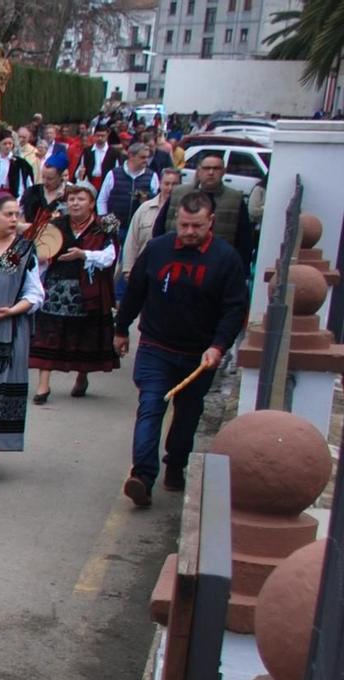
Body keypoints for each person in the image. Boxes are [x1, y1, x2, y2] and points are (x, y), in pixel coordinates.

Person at [112, 192, 250, 506]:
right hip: (155, 346)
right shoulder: (159, 249)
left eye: (196, 226)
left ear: (210, 222)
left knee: (187, 414)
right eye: (184, 225)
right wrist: (121, 329)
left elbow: (234, 309)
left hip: (198, 355)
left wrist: (218, 346)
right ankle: (142, 478)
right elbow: (136, 292)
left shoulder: (226, 259)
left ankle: (175, 463)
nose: (189, 232)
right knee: (150, 406)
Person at [0, 193, 47, 465]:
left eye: (17, 215)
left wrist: (13, 310)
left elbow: (35, 292)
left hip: (9, 330)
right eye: (9, 214)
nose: (15, 220)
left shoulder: (24, 251)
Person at [30, 181, 119, 403]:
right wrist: (41, 258)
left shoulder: (104, 226)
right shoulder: (55, 225)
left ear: (91, 203)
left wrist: (84, 255)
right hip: (57, 288)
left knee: (85, 334)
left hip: (88, 290)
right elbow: (40, 253)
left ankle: (82, 375)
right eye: (71, 199)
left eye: (81, 199)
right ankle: (43, 385)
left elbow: (109, 257)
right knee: (48, 334)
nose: (75, 203)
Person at [154, 154, 259, 271]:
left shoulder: (235, 199)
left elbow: (244, 242)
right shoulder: (178, 193)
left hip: (217, 267)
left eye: (216, 168)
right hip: (175, 262)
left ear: (224, 171)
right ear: (199, 171)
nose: (211, 172)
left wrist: (240, 271)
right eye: (206, 168)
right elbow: (159, 229)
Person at [99, 142, 159, 227]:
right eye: (142, 157)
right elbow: (102, 199)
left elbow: (156, 200)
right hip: (115, 227)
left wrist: (148, 197)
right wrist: (104, 218)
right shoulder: (113, 174)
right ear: (131, 155)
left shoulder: (152, 176)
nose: (146, 160)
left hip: (139, 226)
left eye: (147, 157)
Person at [20, 159, 69, 224]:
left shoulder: (69, 194)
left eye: (50, 179)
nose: (45, 181)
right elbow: (20, 217)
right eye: (43, 177)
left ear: (60, 177)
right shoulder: (32, 191)